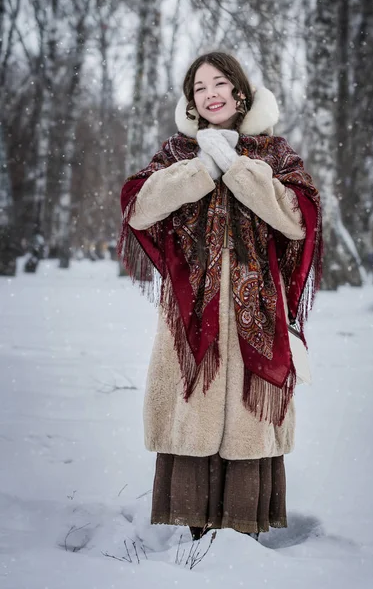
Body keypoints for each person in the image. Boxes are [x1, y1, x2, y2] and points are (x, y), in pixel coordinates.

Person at [118, 52, 322, 540]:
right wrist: (202, 168)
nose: (210, 94)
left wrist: (239, 167)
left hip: (257, 305)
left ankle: (242, 525)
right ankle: (191, 523)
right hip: (191, 307)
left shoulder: (274, 154)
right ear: (191, 101)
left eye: (219, 83)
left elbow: (298, 219)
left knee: (249, 418)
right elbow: (139, 209)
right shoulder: (176, 153)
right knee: (193, 407)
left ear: (240, 92)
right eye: (199, 87)